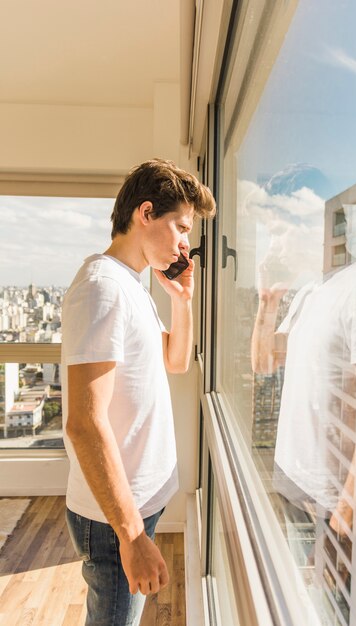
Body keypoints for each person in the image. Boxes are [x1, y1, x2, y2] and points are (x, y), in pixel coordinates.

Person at [62, 159, 216, 626]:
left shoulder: (131, 286)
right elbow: (84, 423)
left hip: (134, 505)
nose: (186, 242)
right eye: (181, 226)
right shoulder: (102, 287)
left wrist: (182, 300)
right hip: (114, 522)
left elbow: (176, 361)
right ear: (146, 213)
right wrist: (131, 538)